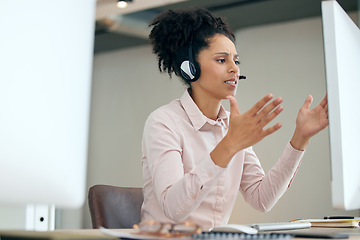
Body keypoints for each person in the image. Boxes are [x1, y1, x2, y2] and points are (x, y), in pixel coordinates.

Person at [140, 8, 328, 229]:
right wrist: (229, 145)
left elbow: (261, 199)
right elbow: (174, 209)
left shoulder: (232, 126)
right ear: (190, 69)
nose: (234, 70)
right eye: (222, 60)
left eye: (236, 61)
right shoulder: (163, 122)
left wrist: (300, 138)